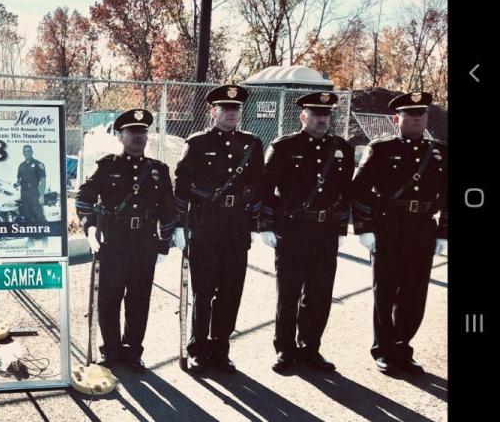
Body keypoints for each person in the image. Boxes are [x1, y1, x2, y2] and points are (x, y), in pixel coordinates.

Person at [256, 91, 354, 373]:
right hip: (293, 230)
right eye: (316, 114)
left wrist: (340, 229)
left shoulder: (342, 149)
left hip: (324, 231)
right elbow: (266, 188)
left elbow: (345, 192)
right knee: (289, 293)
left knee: (320, 292)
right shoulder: (285, 146)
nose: (322, 119)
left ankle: (310, 347)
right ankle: (286, 350)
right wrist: (266, 224)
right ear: (303, 116)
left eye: (326, 114)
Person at [75, 108, 179, 372]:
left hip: (144, 243)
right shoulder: (107, 166)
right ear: (120, 136)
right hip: (113, 242)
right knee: (109, 299)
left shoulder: (158, 170)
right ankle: (110, 350)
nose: (138, 137)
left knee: (139, 300)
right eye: (132, 132)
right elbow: (83, 200)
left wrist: (164, 243)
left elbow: (169, 209)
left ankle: (133, 351)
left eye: (143, 132)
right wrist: (89, 229)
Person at [350, 91, 447, 374]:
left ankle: (403, 347)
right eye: (409, 114)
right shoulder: (381, 148)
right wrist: (365, 229)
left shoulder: (441, 151)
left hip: (423, 228)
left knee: (415, 293)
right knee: (386, 291)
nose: (416, 119)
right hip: (389, 226)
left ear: (426, 117)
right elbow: (358, 190)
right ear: (397, 119)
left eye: (421, 114)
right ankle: (384, 349)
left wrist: (443, 233)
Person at [173, 84, 264, 374]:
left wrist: (253, 224)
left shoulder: (252, 144)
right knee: (203, 290)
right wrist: (179, 225)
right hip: (206, 224)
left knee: (230, 291)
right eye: (225, 108)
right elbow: (182, 185)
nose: (231, 113)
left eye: (235, 109)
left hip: (236, 226)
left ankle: (220, 348)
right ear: (213, 111)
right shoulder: (198, 142)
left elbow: (259, 185)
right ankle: (198, 348)